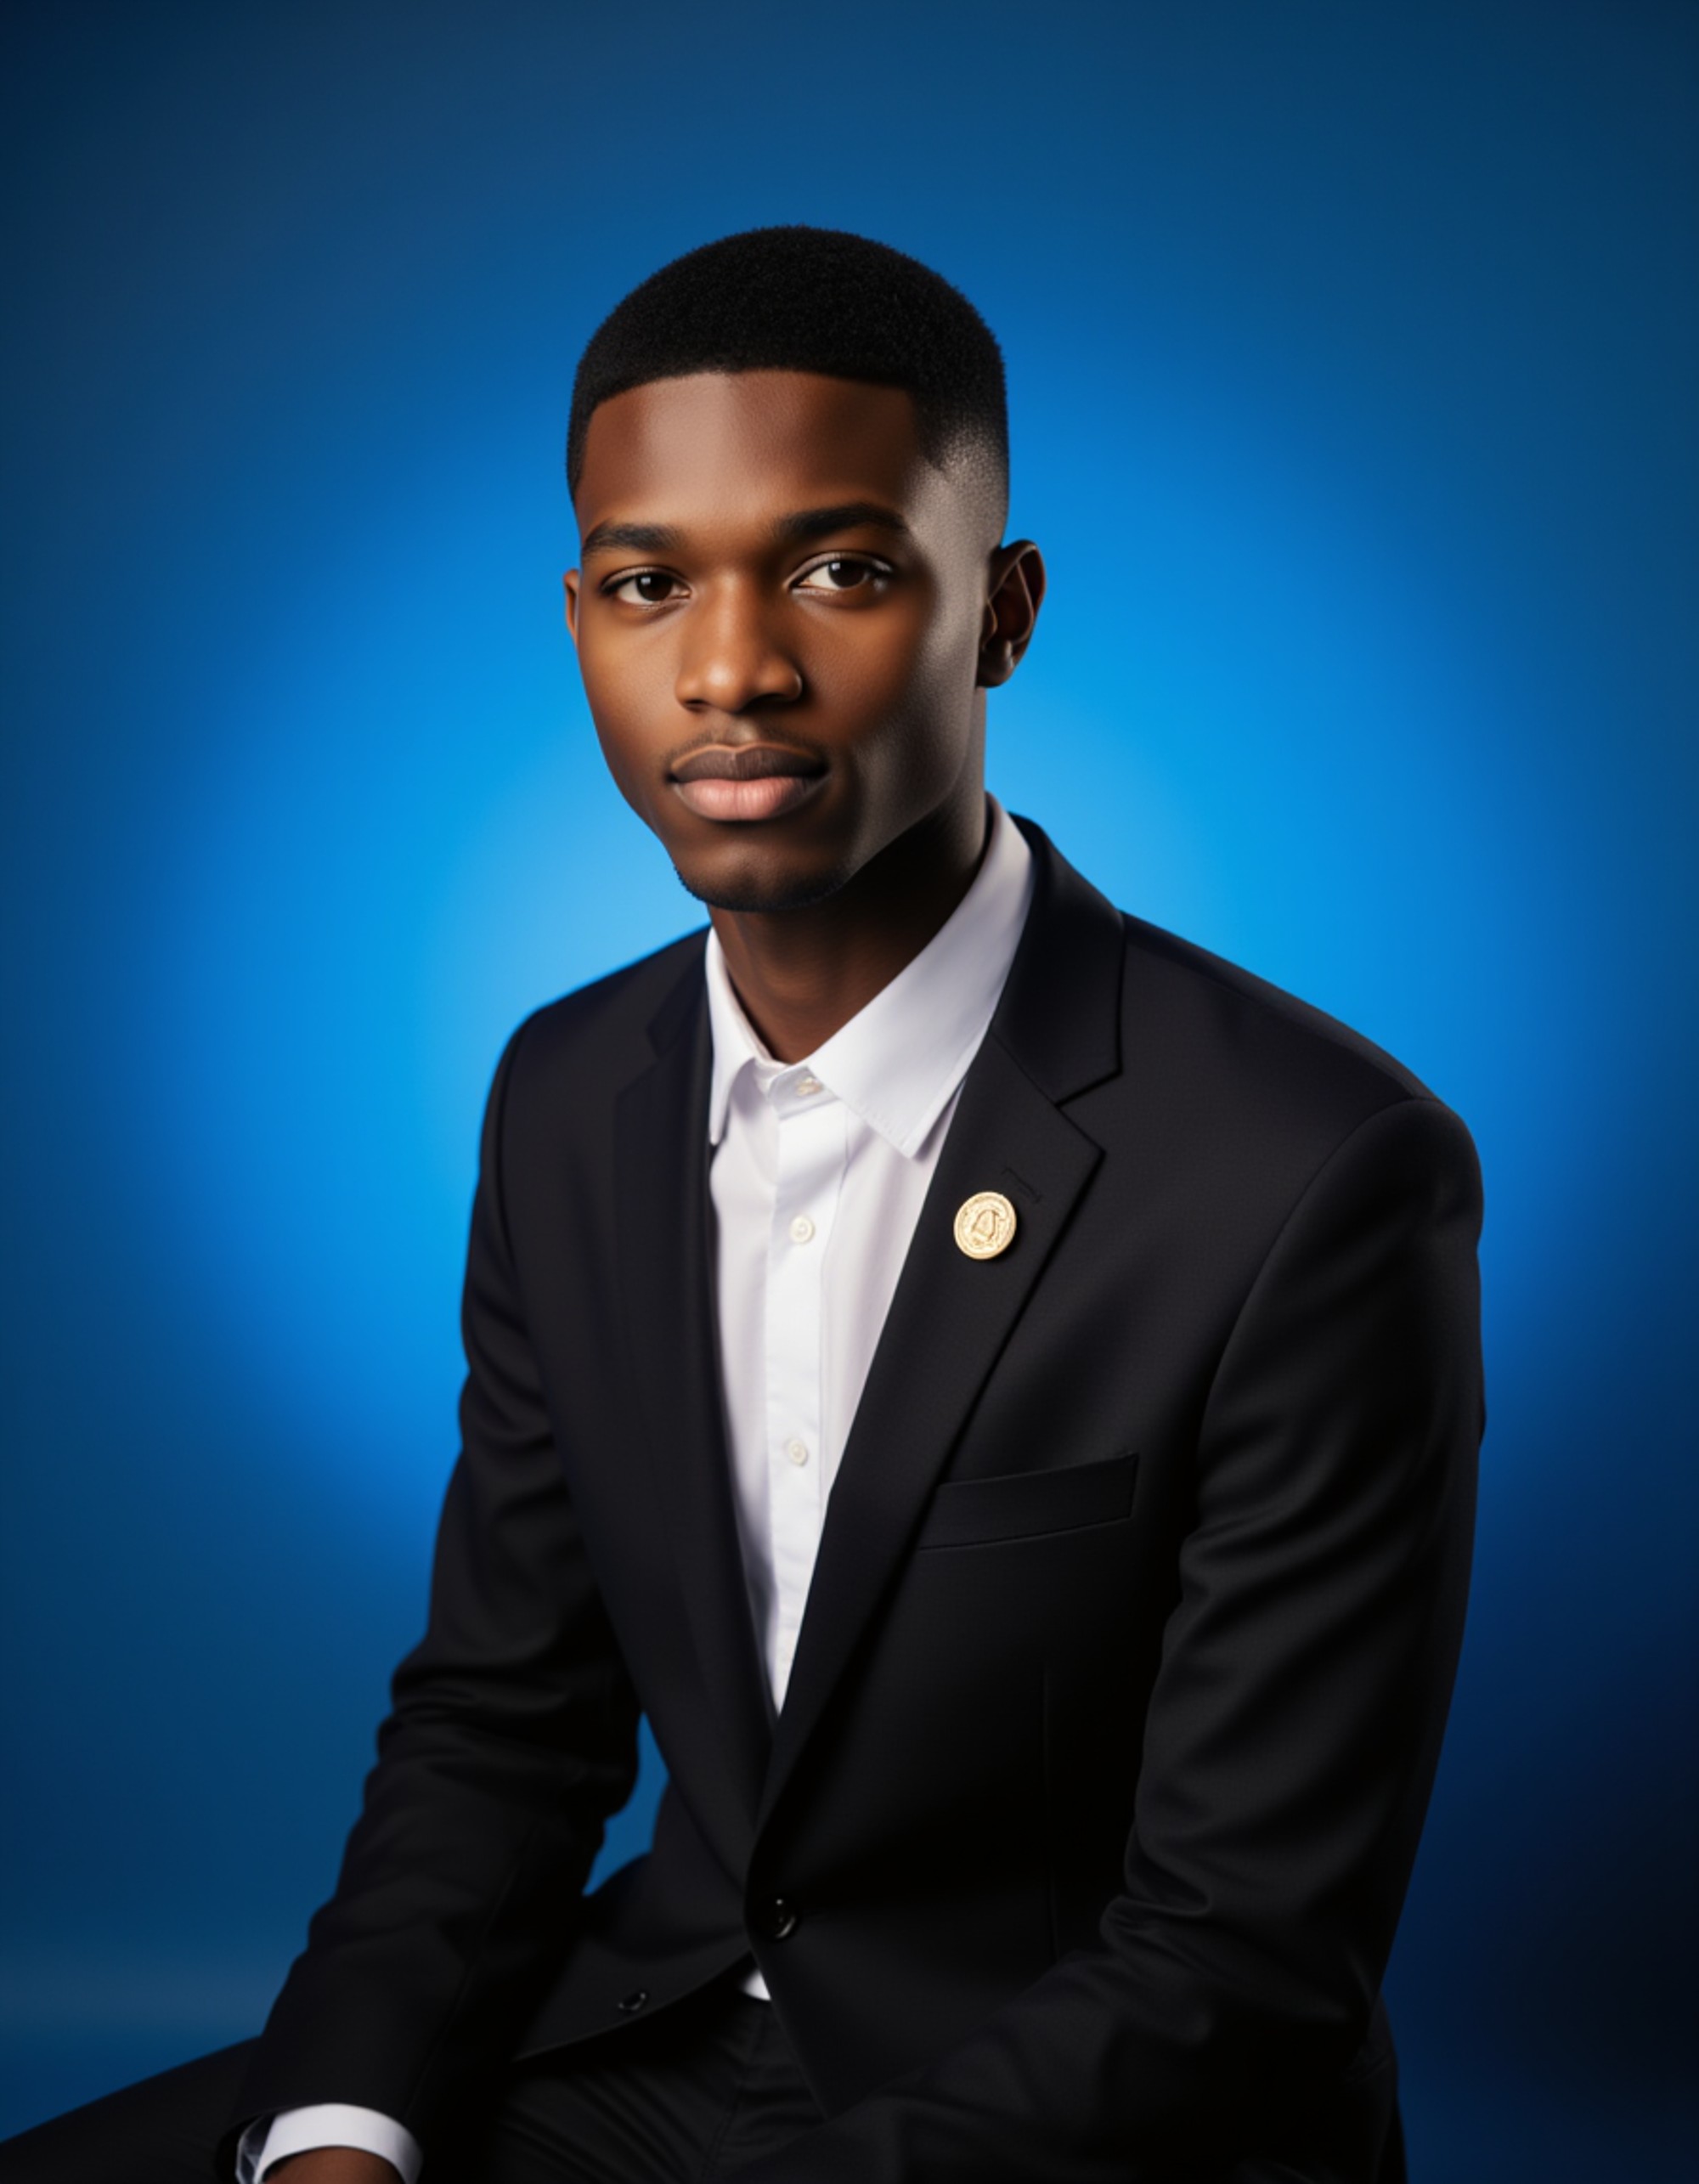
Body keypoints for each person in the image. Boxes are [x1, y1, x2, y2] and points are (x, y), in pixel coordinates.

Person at [2, 224, 1484, 2184]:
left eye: (844, 567)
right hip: (657, 2032)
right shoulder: (566, 1092)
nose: (732, 668)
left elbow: (1241, 1958)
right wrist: (341, 2132)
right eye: (647, 583)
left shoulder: (1313, 1169)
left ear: (1001, 610)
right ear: (582, 618)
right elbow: (502, 1722)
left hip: (1091, 2118)